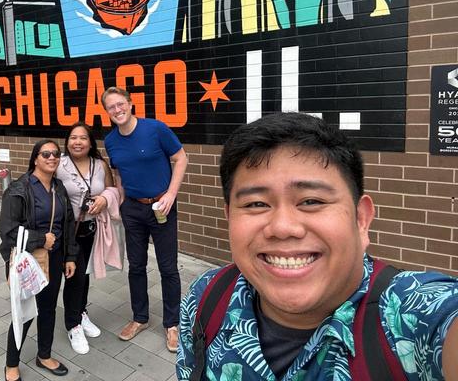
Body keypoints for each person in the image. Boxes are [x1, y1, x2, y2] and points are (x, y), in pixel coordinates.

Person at [176, 112, 458, 380]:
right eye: (256, 204)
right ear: (229, 217)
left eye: (311, 201)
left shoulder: (416, 315)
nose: (283, 227)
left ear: (361, 219)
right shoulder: (205, 297)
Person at [102, 86, 188, 352]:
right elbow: (118, 173)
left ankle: (172, 324)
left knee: (168, 267)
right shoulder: (111, 140)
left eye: (120, 104)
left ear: (130, 104)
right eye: (111, 107)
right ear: (107, 112)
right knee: (136, 266)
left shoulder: (155, 129)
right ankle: (140, 318)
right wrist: (122, 200)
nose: (117, 110)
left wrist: (171, 194)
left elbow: (181, 158)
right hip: (133, 209)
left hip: (162, 206)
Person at [0, 139, 79, 379]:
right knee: (24, 311)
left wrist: (70, 256)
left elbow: (68, 223)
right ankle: (11, 364)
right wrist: (41, 240)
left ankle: (44, 355)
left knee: (48, 308)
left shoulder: (58, 187)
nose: (52, 157)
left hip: (54, 258)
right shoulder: (18, 189)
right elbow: (8, 231)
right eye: (46, 154)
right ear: (35, 158)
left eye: (56, 153)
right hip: (26, 260)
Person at [56, 122, 114, 355]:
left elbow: (112, 189)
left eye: (83, 138)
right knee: (75, 276)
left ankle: (81, 312)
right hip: (68, 232)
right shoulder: (59, 164)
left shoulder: (100, 165)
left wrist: (105, 199)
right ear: (67, 142)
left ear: (91, 143)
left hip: (91, 229)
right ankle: (73, 325)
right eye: (73, 138)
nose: (77, 142)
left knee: (85, 274)